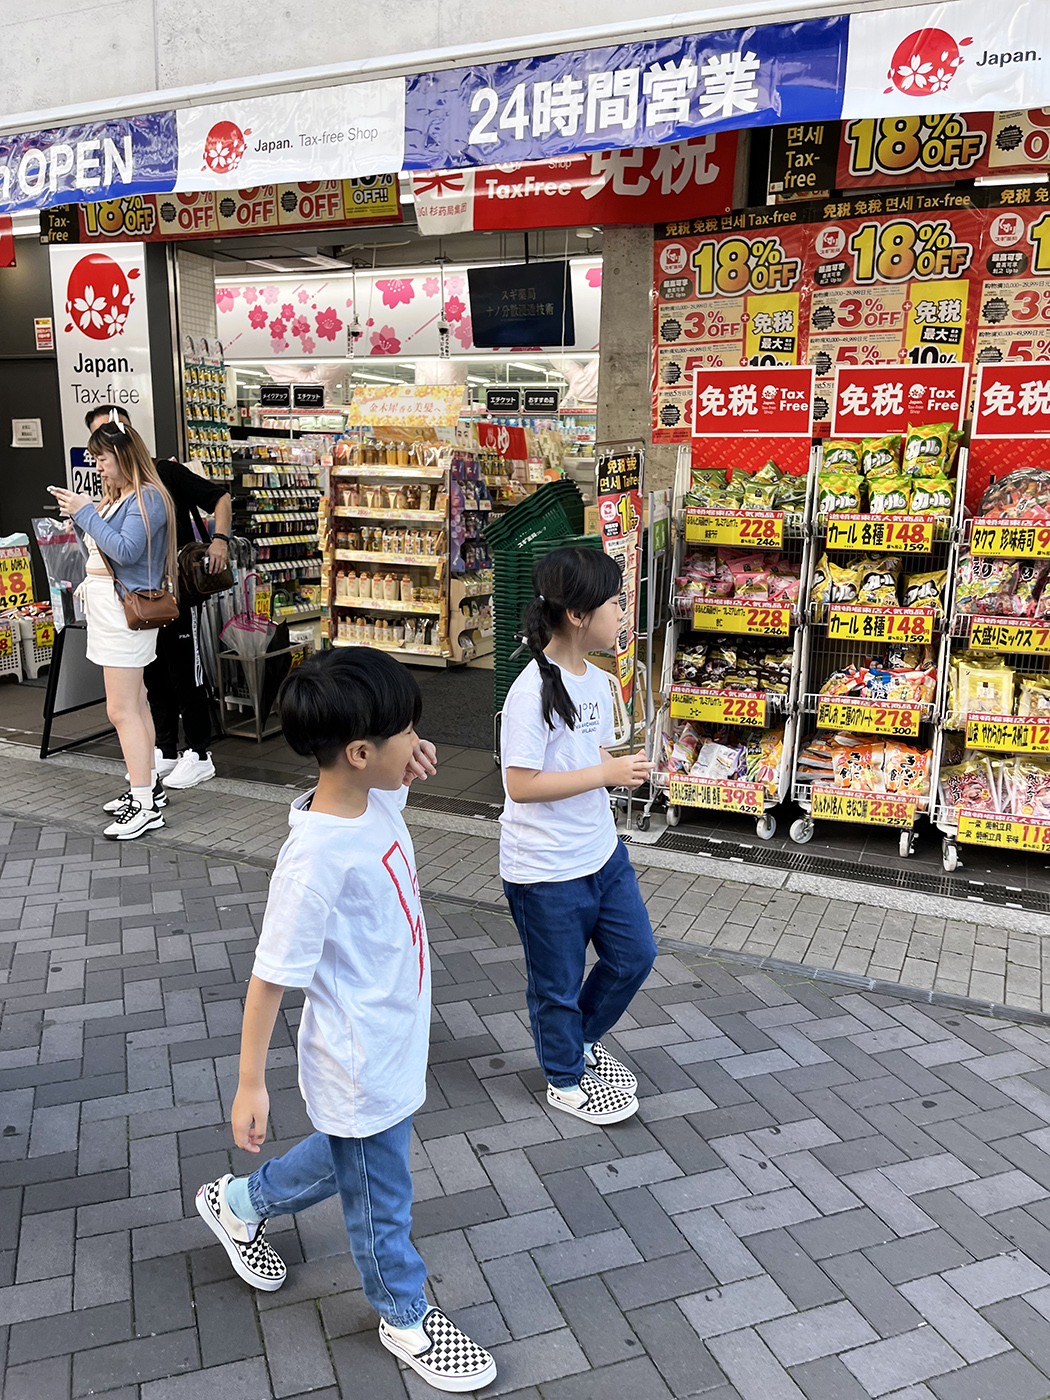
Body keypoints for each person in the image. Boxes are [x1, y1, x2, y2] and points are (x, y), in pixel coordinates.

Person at [195, 647, 497, 1394]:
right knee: (381, 1197)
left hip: (393, 1038)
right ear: (359, 753)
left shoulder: (371, 796)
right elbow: (270, 979)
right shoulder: (313, 862)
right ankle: (404, 1313)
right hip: (358, 1061)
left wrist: (407, 760)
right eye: (408, 734)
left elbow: (389, 781)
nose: (419, 745)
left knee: (351, 1157)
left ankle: (238, 1203)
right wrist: (250, 1084)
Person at [499, 546, 657, 1125]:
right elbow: (520, 784)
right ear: (577, 615)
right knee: (556, 985)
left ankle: (579, 1041)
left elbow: (586, 757)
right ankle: (564, 1078)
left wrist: (622, 767)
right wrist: (606, 774)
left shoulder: (597, 680)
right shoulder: (529, 691)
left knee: (635, 955)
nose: (622, 614)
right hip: (544, 870)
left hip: (600, 851)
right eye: (615, 603)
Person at [84, 405, 233, 793]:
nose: (105, 452)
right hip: (137, 598)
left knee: (185, 670)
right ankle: (164, 748)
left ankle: (199, 751)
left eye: (115, 433)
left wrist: (220, 540)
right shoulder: (116, 490)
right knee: (151, 675)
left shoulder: (163, 475)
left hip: (175, 590)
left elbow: (220, 497)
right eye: (100, 438)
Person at [49, 417, 178, 841]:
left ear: (124, 456)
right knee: (135, 704)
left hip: (124, 614)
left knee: (121, 710)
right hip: (114, 612)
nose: (99, 467)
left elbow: (125, 550)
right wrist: (87, 512)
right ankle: (147, 789)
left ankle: (144, 803)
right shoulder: (126, 496)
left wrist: (85, 512)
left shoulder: (147, 497)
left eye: (102, 459)